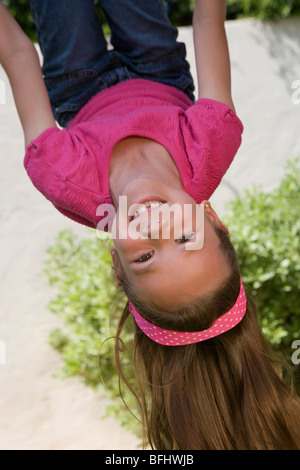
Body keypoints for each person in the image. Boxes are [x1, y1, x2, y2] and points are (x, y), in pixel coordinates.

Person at [1, 0, 299, 450]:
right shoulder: (209, 147)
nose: (156, 227)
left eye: (145, 256)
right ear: (211, 217)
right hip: (160, 69)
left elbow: (20, 56)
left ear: (117, 265)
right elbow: (206, 15)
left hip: (76, 87)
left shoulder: (64, 178)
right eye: (184, 236)